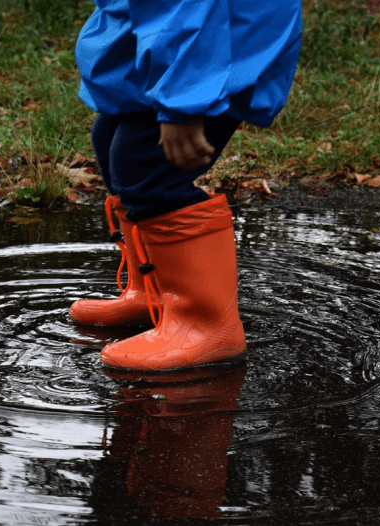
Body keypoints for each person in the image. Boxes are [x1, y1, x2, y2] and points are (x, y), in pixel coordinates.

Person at [69, 0, 303, 371]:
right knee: (110, 136)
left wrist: (184, 102)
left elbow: (189, 9)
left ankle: (206, 325)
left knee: (146, 166)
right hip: (175, 41)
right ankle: (155, 292)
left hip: (217, 45)